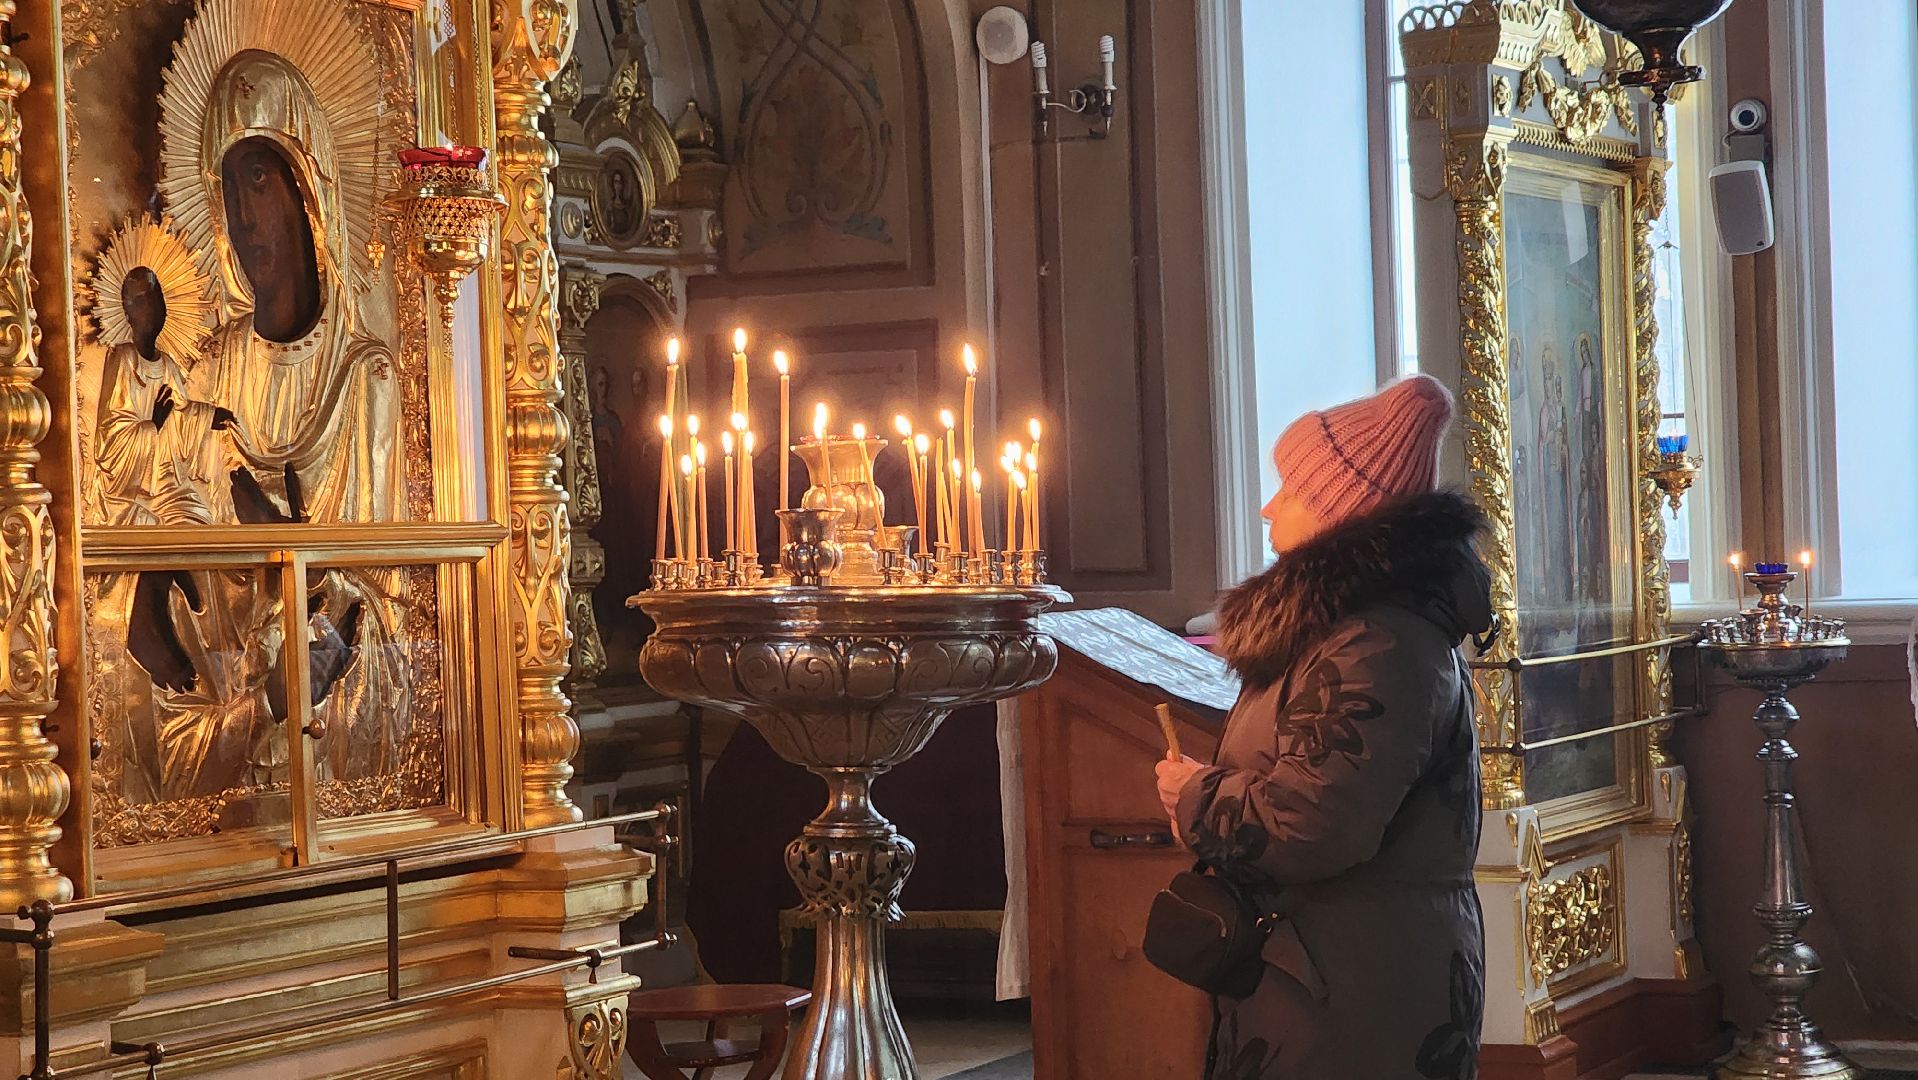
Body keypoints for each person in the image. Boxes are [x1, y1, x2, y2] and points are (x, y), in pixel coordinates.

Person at [1155, 374, 1491, 1080]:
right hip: (1324, 973)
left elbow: (1314, 824)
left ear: (1343, 513)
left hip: (1354, 992)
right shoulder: (1347, 632)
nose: (1267, 505)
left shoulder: (1376, 646)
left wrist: (1196, 797)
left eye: (1291, 490)